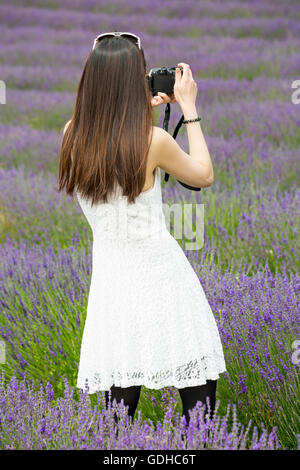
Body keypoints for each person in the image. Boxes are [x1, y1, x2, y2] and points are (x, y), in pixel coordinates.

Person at [58, 31, 227, 428]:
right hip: (164, 281)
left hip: (111, 290)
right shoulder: (153, 140)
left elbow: (114, 149)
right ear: (135, 81)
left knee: (117, 417)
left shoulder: (71, 135)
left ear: (91, 80)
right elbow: (203, 174)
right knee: (197, 403)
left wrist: (140, 110)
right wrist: (189, 108)